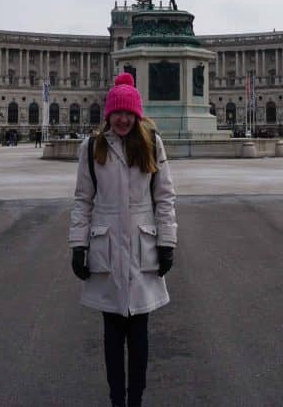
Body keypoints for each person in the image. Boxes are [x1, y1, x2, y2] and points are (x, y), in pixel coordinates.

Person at [70, 73, 177, 407]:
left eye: (128, 113)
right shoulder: (91, 147)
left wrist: (168, 242)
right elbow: (82, 199)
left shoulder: (151, 143)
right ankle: (117, 399)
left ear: (137, 114)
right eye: (117, 113)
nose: (122, 119)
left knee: (140, 334)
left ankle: (136, 400)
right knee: (112, 334)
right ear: (108, 114)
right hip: (107, 248)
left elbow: (165, 197)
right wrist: (78, 245)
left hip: (143, 249)